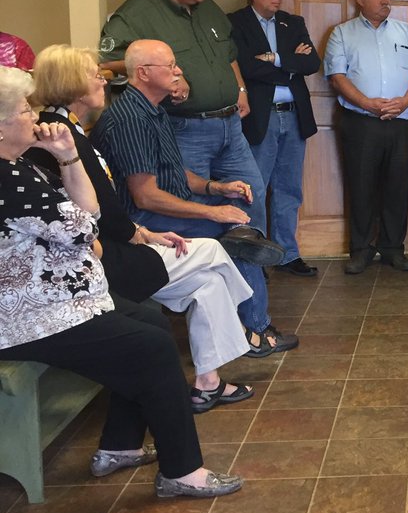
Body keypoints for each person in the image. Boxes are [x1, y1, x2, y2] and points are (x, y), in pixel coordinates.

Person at [0, 65, 241, 498]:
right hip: (27, 315)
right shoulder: (7, 178)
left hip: (61, 296)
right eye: (23, 110)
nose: (33, 117)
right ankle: (182, 472)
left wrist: (68, 156)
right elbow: (84, 228)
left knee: (149, 320)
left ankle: (120, 446)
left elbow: (89, 214)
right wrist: (86, 231)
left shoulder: (20, 165)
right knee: (151, 346)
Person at [31, 45, 259, 413]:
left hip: (121, 237)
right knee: (213, 249)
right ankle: (247, 328)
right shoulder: (65, 135)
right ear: (72, 84)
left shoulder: (75, 127)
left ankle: (208, 384)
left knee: (209, 283)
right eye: (94, 75)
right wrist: (143, 233)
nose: (103, 81)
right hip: (102, 256)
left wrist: (214, 189)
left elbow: (161, 177)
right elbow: (112, 207)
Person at [91, 39, 298, 356]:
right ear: (144, 73)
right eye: (170, 66)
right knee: (236, 236)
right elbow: (145, 197)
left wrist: (216, 189)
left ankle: (243, 325)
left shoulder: (155, 110)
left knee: (239, 221)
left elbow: (175, 172)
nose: (178, 71)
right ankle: (254, 329)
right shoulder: (130, 119)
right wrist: (212, 213)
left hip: (164, 207)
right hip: (142, 221)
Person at [99, 0, 264, 240]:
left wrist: (240, 89)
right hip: (187, 127)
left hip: (230, 124)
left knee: (251, 193)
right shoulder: (136, 14)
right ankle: (212, 262)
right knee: (195, 206)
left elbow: (227, 52)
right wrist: (172, 73)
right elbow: (108, 60)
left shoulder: (206, 6)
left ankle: (247, 263)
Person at [324, 0, 408, 275]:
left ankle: (392, 248)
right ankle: (361, 250)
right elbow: (337, 77)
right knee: (361, 186)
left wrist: (403, 102)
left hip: (401, 122)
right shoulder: (342, 33)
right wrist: (367, 103)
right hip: (361, 122)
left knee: (398, 187)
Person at [229, 0, 321, 277]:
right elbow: (246, 67)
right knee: (255, 187)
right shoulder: (235, 23)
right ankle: (255, 257)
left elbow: (311, 63)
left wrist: (276, 59)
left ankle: (286, 255)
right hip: (260, 116)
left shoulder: (292, 22)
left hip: (294, 115)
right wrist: (289, 67)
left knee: (289, 189)